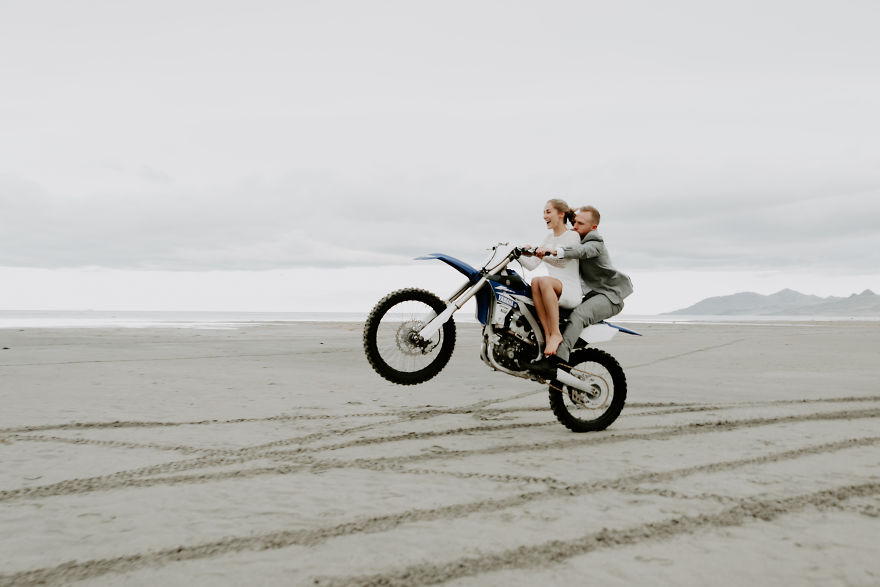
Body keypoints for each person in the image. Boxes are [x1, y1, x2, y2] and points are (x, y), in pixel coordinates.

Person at [530, 205, 633, 373]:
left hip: (609, 295)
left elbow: (582, 251)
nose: (575, 226)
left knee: (579, 316)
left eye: (581, 224)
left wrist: (555, 251)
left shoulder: (595, 242)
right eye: (575, 222)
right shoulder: (574, 237)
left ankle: (558, 361)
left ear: (594, 227)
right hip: (591, 295)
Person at [519, 199, 583, 356]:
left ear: (561, 214)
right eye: (544, 213)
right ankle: (547, 335)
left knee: (543, 281)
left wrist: (543, 253)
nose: (544, 216)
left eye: (548, 212)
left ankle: (556, 334)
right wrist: (519, 254)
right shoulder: (548, 238)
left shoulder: (572, 236)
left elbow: (562, 262)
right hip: (552, 288)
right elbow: (532, 265)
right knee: (535, 281)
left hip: (569, 290)